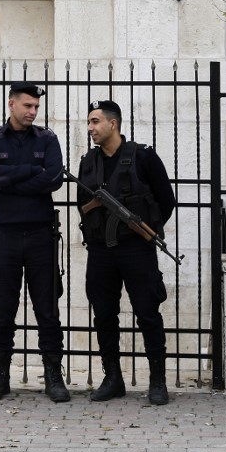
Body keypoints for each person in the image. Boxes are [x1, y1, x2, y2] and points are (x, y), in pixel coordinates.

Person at [76, 100, 176, 406]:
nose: (90, 128)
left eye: (95, 122)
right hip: (101, 252)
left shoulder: (143, 156)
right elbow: (82, 204)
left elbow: (166, 201)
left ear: (113, 124)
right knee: (104, 315)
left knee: (147, 313)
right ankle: (112, 378)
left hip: (136, 250)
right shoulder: (88, 163)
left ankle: (157, 381)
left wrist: (142, 230)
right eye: (89, 123)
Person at [0, 82, 69, 403]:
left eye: (36, 107)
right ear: (11, 104)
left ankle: (53, 376)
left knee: (48, 309)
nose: (32, 112)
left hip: (40, 235)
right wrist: (32, 171)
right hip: (4, 236)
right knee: (3, 308)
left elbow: (55, 177)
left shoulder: (47, 139)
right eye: (27, 106)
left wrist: (11, 179)